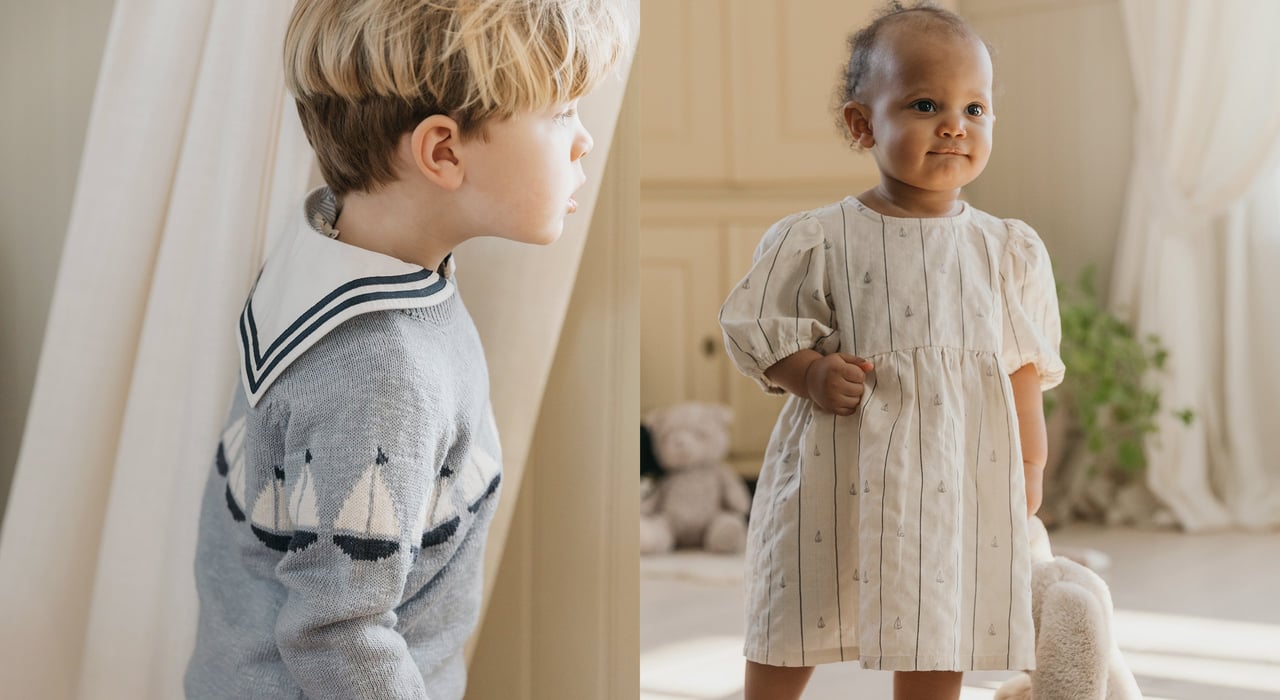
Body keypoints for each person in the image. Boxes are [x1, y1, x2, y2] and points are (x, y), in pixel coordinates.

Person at [184, 1, 626, 698]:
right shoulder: (385, 373)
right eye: (562, 112)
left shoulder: (326, 248)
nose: (584, 143)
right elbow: (338, 632)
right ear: (443, 152)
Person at [718, 2, 1064, 699]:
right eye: (925, 103)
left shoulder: (1005, 250)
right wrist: (809, 372)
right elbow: (757, 324)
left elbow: (1021, 367)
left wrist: (1028, 467)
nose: (954, 125)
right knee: (800, 601)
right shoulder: (820, 238)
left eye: (976, 108)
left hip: (957, 477)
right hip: (838, 473)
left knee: (940, 615)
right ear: (861, 123)